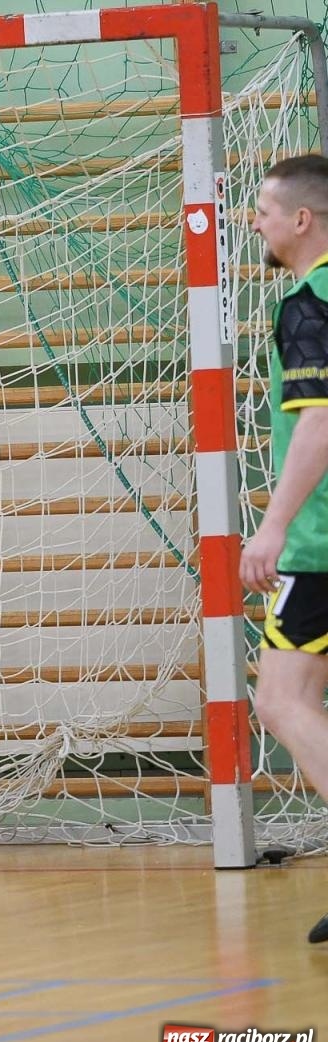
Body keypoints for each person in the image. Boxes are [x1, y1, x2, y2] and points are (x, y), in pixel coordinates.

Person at [241, 152, 328, 942]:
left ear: (303, 219)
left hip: (322, 544)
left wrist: (273, 526)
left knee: (280, 700)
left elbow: (320, 420)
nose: (256, 220)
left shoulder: (309, 304)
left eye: (265, 208)